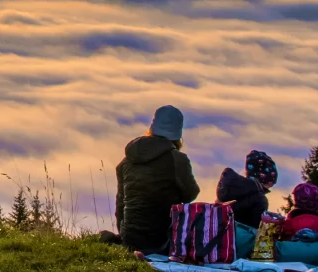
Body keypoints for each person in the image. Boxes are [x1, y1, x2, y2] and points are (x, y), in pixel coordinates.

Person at [116, 105, 201, 255]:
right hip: (161, 240)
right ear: (177, 135)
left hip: (129, 239)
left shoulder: (126, 161)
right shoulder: (178, 159)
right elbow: (190, 195)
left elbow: (121, 204)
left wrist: (124, 235)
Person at [216, 150, 277, 228]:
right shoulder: (259, 199)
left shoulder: (227, 191)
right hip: (243, 238)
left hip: (222, 237)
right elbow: (256, 230)